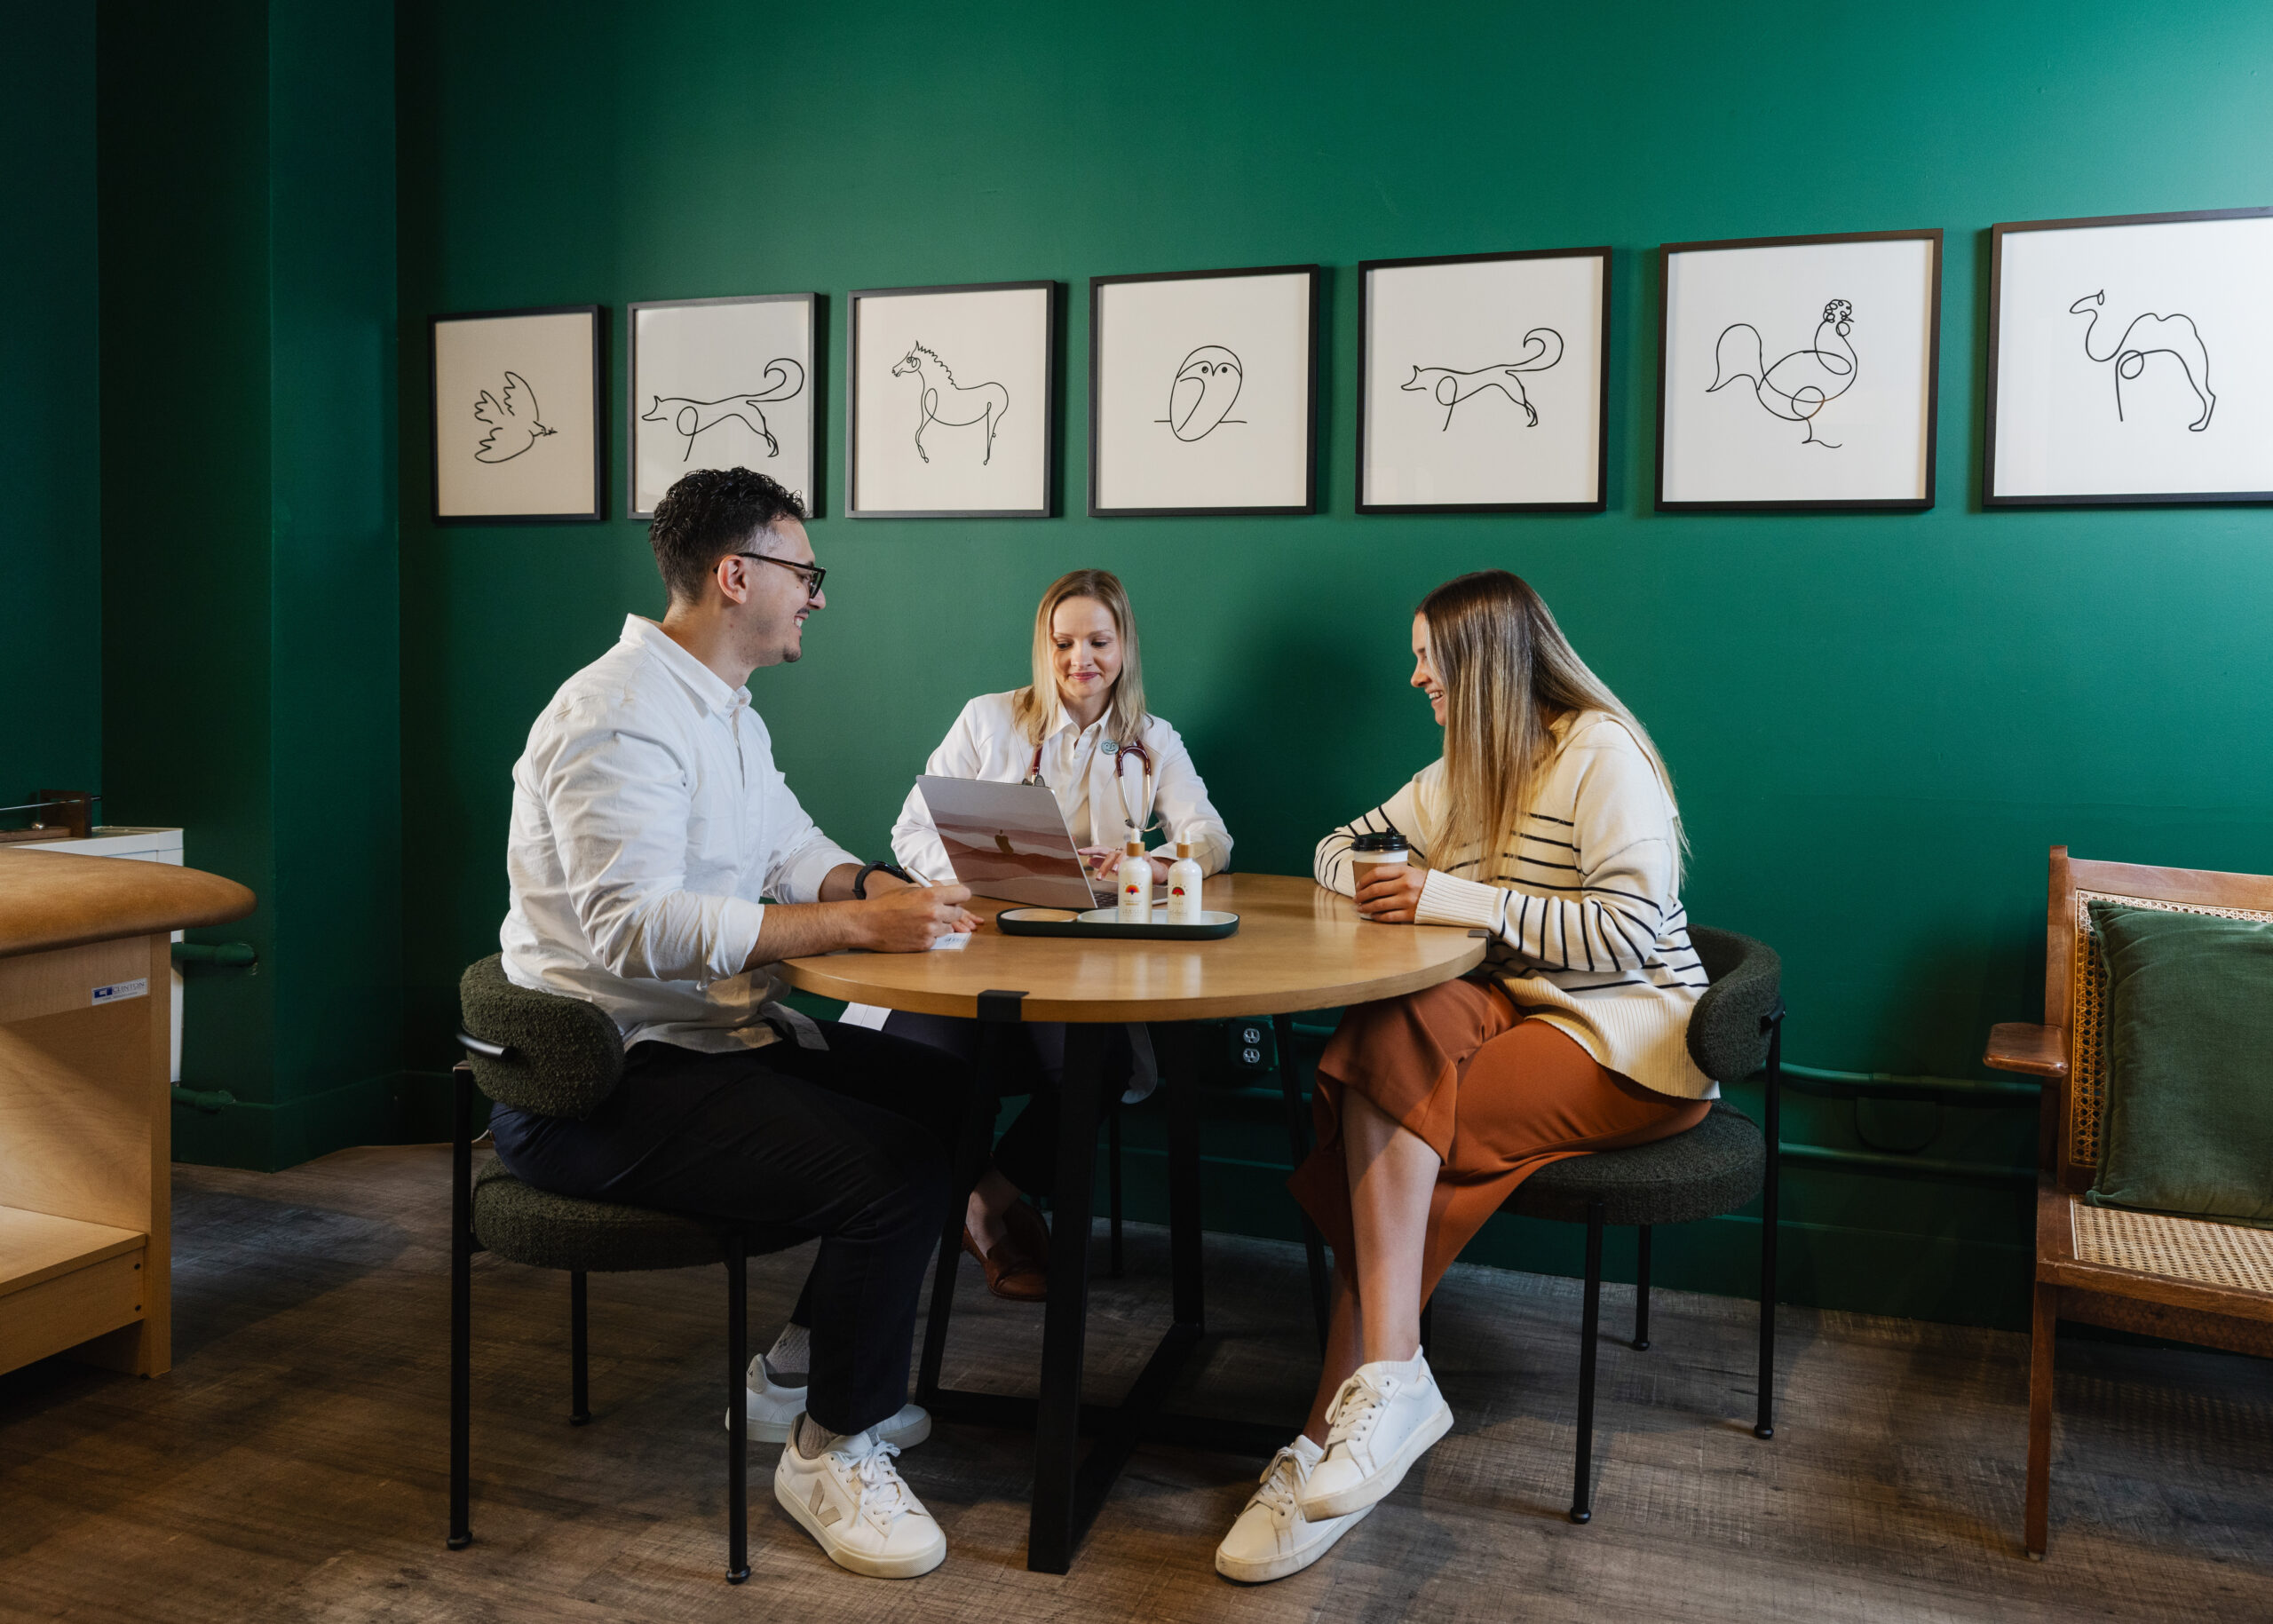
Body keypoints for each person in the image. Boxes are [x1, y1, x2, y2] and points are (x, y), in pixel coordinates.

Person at [492, 466, 983, 1581]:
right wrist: (855, 934)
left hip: (700, 1046)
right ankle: (829, 1451)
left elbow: (788, 844)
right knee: (895, 1166)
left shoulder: (722, 711)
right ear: (735, 574)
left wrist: (876, 891)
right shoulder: (616, 714)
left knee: (947, 1095)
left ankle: (797, 1372)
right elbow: (635, 928)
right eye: (803, 572)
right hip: (598, 1086)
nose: (814, 594)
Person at [1214, 569, 1715, 1584]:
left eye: (1426, 659)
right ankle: (1390, 1380)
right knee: (1385, 1030)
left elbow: (1626, 938)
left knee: (1400, 1129)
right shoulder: (1462, 767)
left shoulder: (1600, 754)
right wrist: (1382, 872)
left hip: (1632, 1035)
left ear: (1481, 663)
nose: (1413, 678)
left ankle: (1321, 1430)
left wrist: (1451, 893)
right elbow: (1329, 848)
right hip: (1519, 1005)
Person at [843, 567, 1232, 1300]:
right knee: (924, 1066)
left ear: (1125, 647)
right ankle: (898, 1251)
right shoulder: (988, 720)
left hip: (1078, 959)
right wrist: (976, 874)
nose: (1079, 660)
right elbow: (911, 829)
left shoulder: (1153, 741)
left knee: (1103, 1064)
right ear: (1043, 647)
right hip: (973, 941)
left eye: (1097, 641)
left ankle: (982, 1206)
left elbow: (1210, 836)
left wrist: (1147, 859)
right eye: (1063, 642)